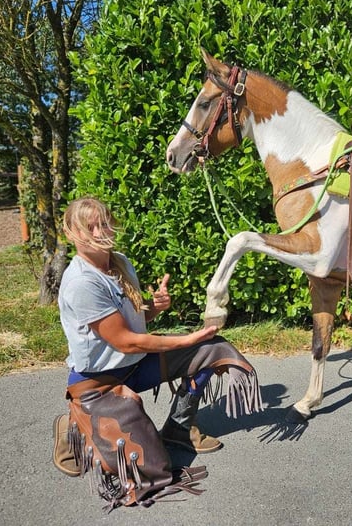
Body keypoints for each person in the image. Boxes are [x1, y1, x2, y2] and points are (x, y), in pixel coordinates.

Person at [52, 197, 261, 507]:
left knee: (213, 350)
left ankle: (179, 427)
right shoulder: (82, 283)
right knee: (153, 469)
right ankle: (73, 425)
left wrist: (153, 309)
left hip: (137, 364)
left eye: (104, 223)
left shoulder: (119, 261)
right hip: (100, 383)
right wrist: (185, 340)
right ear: (71, 232)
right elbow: (126, 341)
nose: (99, 232)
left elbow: (132, 323)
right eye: (89, 226)